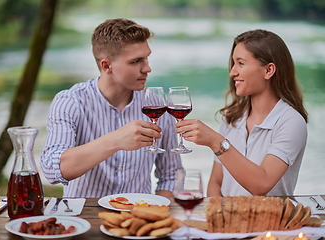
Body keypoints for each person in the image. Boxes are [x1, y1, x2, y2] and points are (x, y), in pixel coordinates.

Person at [40, 18, 182, 198]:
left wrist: (155, 213)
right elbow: (52, 170)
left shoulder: (158, 105)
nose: (147, 68)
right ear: (106, 66)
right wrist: (115, 140)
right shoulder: (70, 101)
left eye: (147, 58)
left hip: (137, 218)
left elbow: (171, 175)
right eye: (136, 61)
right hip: (84, 219)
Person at [176, 29, 308, 197]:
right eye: (233, 63)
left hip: (268, 221)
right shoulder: (232, 118)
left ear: (269, 70)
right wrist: (218, 218)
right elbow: (216, 182)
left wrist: (216, 141)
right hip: (227, 220)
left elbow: (262, 184)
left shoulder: (291, 122)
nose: (232, 72)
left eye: (241, 63)